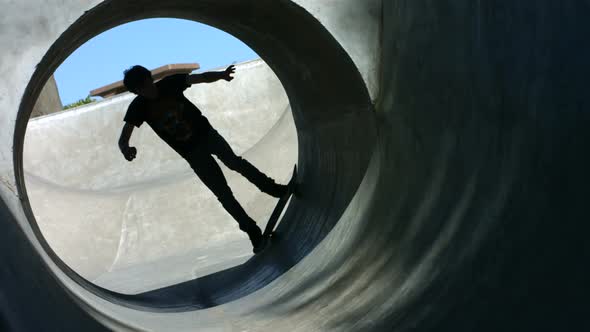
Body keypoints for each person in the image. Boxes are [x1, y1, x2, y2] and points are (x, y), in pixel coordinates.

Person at [118, 64, 287, 253]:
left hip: (207, 135)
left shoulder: (171, 83)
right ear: (136, 92)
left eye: (147, 85)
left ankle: (273, 188)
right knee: (222, 193)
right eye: (141, 91)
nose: (147, 92)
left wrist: (221, 75)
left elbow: (201, 78)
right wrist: (126, 148)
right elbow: (124, 136)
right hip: (191, 153)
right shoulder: (138, 107)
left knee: (235, 162)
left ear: (150, 79)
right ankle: (251, 229)